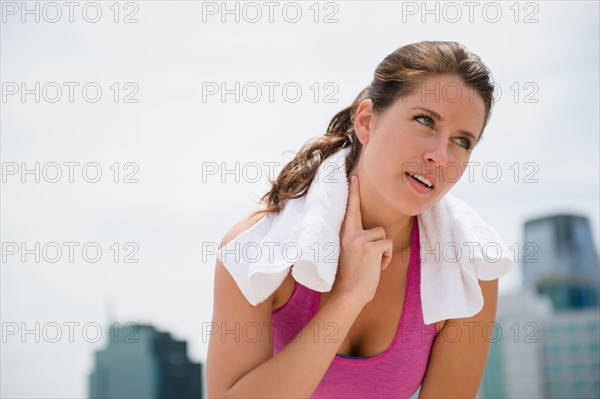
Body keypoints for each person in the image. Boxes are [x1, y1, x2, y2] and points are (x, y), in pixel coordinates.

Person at [207, 41, 499, 398]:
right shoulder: (257, 252)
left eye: (462, 141)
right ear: (366, 122)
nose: (439, 155)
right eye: (425, 120)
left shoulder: (468, 268)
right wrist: (348, 298)